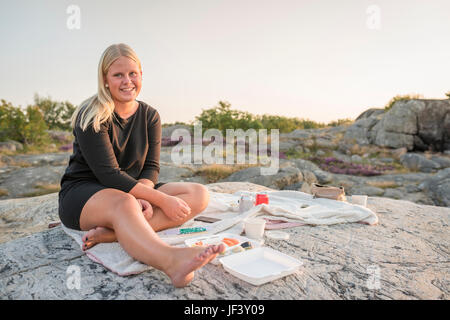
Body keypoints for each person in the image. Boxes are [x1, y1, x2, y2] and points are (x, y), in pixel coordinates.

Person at [58, 43, 225, 288]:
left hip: (133, 189)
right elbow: (108, 174)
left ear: (141, 75)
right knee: (126, 202)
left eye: (132, 73)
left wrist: (146, 196)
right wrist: (158, 199)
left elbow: (151, 167)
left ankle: (115, 233)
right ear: (105, 80)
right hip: (85, 193)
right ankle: (172, 262)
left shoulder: (150, 115)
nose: (127, 81)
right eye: (118, 75)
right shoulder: (91, 113)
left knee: (198, 194)